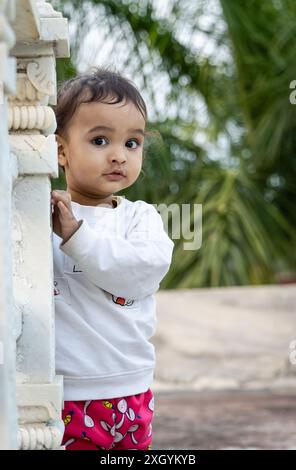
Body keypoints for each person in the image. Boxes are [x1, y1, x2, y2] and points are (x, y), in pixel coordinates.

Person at [51, 67, 174, 450]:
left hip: (130, 386)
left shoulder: (139, 217)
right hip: (63, 392)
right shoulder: (42, 212)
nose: (119, 156)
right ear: (61, 151)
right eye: (100, 140)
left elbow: (141, 272)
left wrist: (76, 236)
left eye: (132, 143)